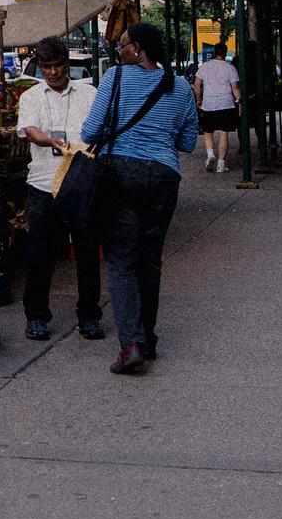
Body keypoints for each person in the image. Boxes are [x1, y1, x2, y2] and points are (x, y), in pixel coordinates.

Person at [82, 22, 199, 375]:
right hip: (164, 178)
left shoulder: (115, 78)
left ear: (139, 49)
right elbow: (188, 142)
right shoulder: (180, 87)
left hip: (120, 175)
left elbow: (89, 132)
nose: (119, 51)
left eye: (123, 45)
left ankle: (130, 344)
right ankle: (147, 337)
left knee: (121, 262)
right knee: (150, 259)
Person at [15, 36, 103, 342]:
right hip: (43, 185)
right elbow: (30, 130)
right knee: (40, 253)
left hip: (81, 184)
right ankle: (36, 316)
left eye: (59, 65)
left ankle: (90, 315)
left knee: (87, 252)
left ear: (68, 63)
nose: (53, 72)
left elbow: (102, 129)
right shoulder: (31, 98)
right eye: (47, 67)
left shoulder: (89, 94)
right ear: (40, 67)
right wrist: (50, 141)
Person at [191, 42, 240, 174]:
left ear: (214, 53)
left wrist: (199, 99)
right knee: (224, 133)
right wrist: (239, 102)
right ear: (225, 53)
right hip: (226, 103)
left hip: (209, 104)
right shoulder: (230, 68)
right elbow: (235, 88)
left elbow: (197, 83)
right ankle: (221, 164)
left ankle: (210, 154)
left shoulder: (205, 67)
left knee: (208, 132)